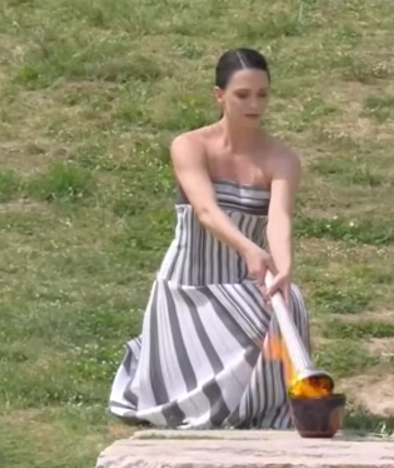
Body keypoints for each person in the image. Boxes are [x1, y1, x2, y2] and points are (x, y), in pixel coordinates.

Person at [108, 48, 312, 429]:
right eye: (242, 95)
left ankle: (272, 407)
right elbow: (206, 211)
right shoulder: (189, 145)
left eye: (263, 94)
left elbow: (279, 218)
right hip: (189, 281)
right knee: (256, 323)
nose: (255, 104)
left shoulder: (282, 158)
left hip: (242, 277)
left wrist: (283, 268)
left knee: (292, 302)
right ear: (220, 95)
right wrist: (249, 248)